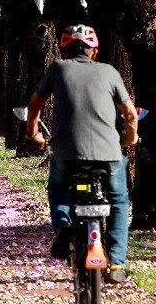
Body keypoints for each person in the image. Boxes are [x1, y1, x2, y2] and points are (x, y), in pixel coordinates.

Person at [24, 24, 139, 283]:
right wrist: (128, 139)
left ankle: (64, 227)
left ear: (64, 49)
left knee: (58, 188)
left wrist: (34, 135)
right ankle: (118, 263)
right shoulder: (109, 72)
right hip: (108, 154)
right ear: (94, 52)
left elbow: (34, 106)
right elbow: (130, 114)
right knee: (119, 200)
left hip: (67, 153)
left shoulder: (57, 69)